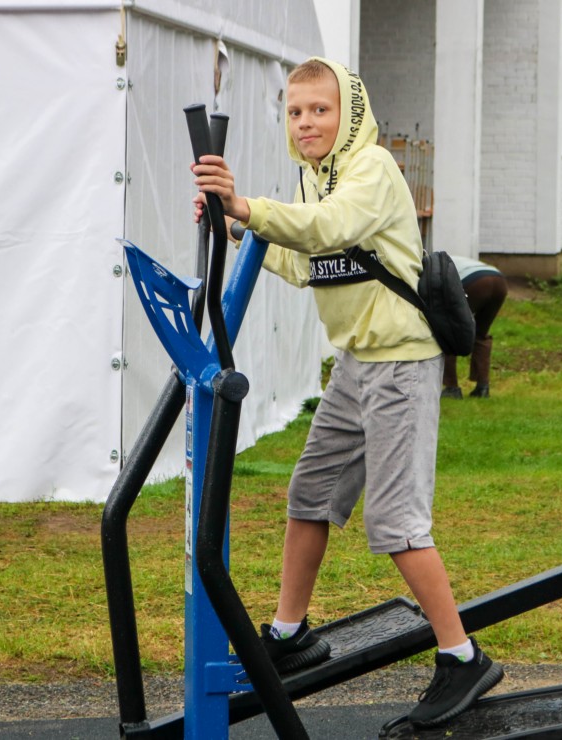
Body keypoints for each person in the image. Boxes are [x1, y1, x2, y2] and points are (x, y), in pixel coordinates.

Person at [192, 57, 503, 729]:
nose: (306, 123)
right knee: (309, 493)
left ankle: (461, 656)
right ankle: (289, 634)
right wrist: (234, 226)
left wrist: (247, 205)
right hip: (355, 364)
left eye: (320, 110)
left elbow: (329, 228)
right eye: (295, 112)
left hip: (401, 365)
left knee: (395, 522)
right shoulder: (315, 177)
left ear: (350, 114)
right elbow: (303, 261)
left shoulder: (372, 169)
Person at [442, 256, 507, 400]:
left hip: (474, 282)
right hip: (499, 281)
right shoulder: (448, 257)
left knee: (448, 333)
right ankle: (482, 387)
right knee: (481, 334)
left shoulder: (429, 264)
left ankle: (452, 387)